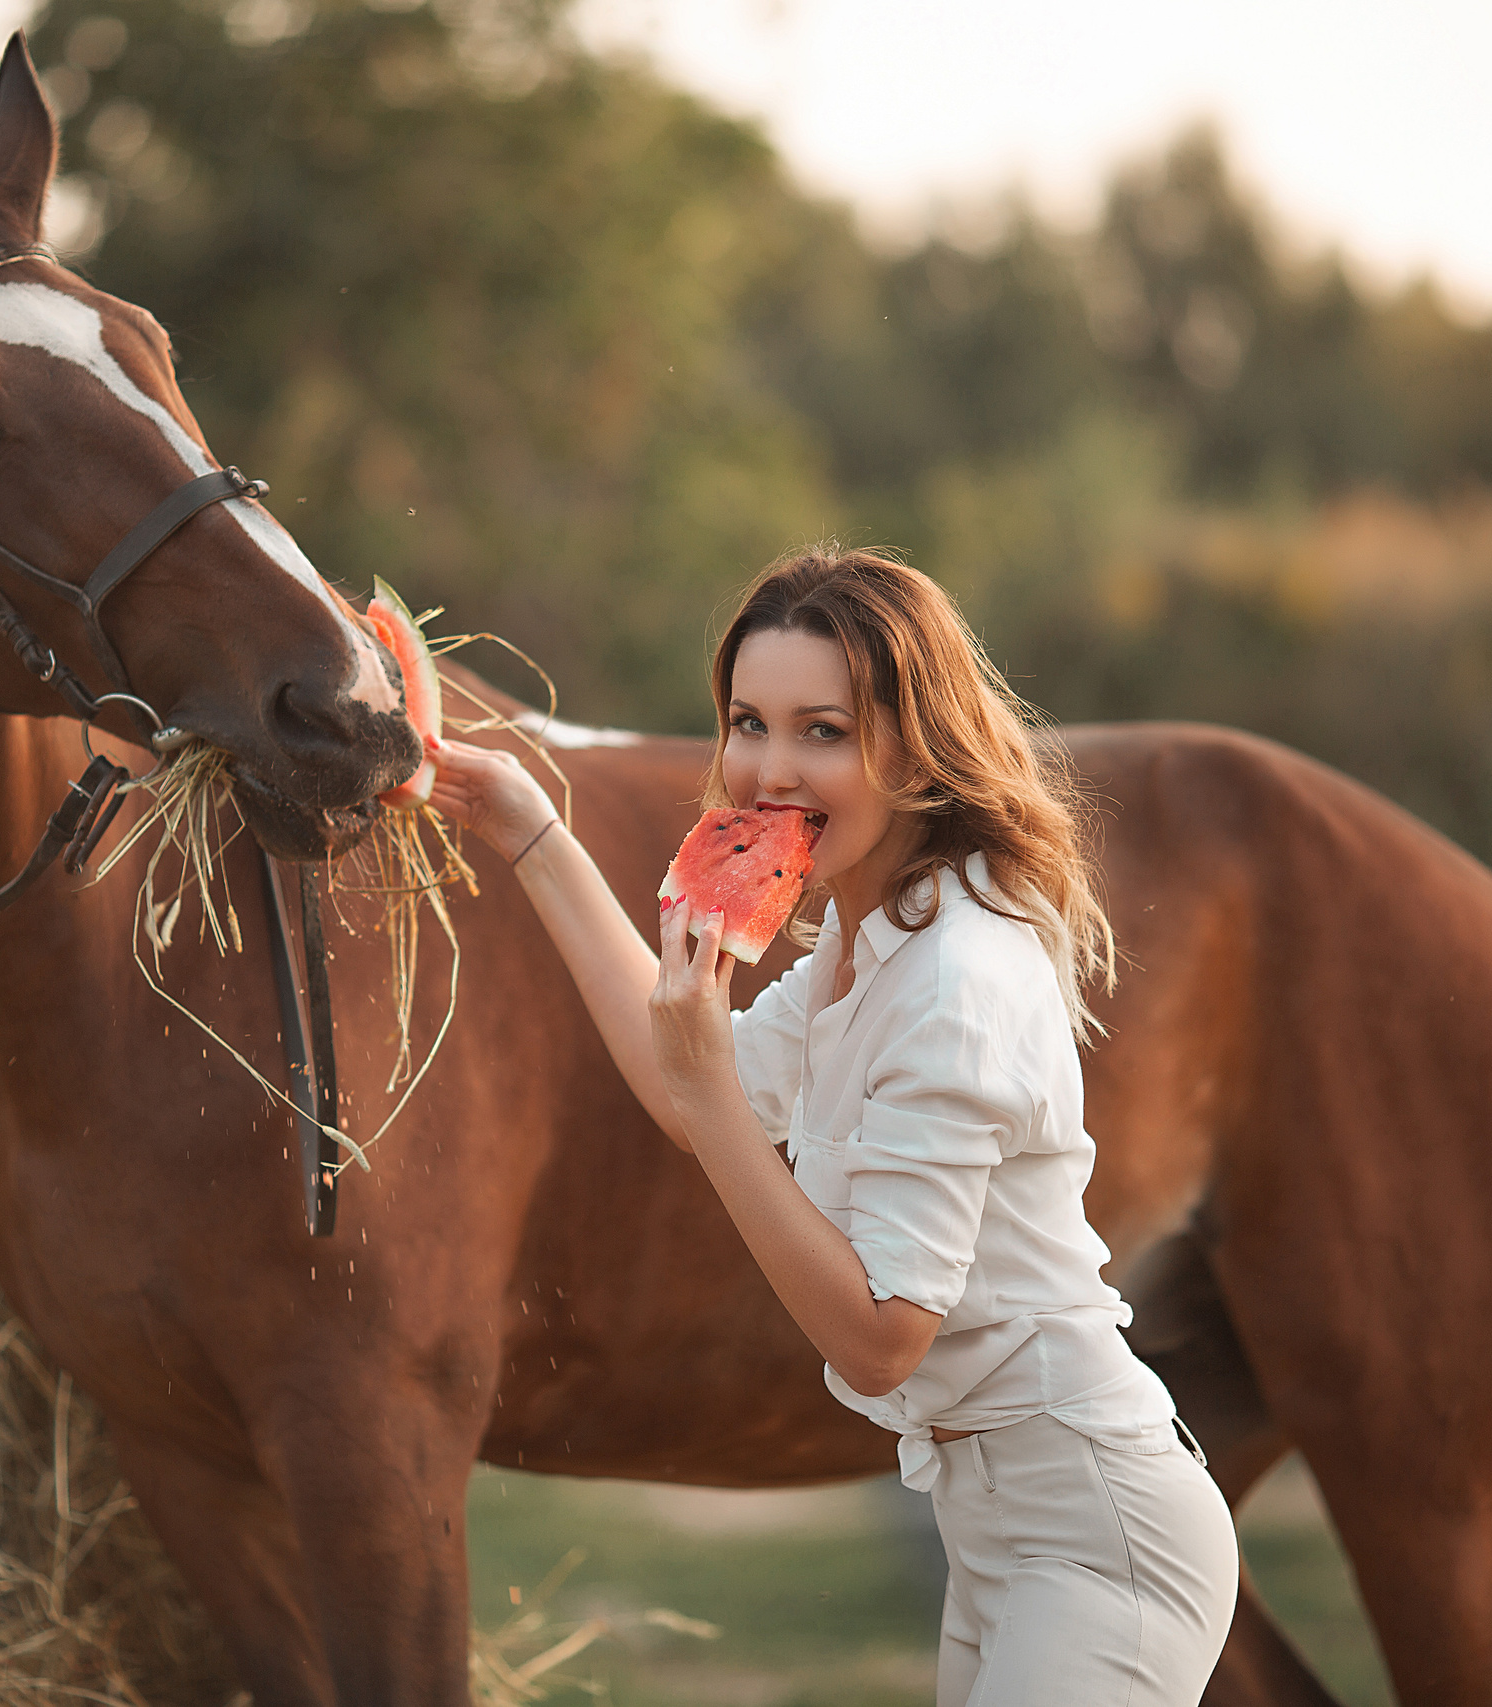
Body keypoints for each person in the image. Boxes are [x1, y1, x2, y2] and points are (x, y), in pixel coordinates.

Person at [425, 545, 1238, 1705]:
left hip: (1095, 1536)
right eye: (747, 722)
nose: (765, 770)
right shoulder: (859, 947)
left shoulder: (956, 980)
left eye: (825, 731)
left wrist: (712, 1095)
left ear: (914, 750)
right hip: (996, 1530)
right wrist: (529, 834)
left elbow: (879, 1338)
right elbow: (676, 1086)